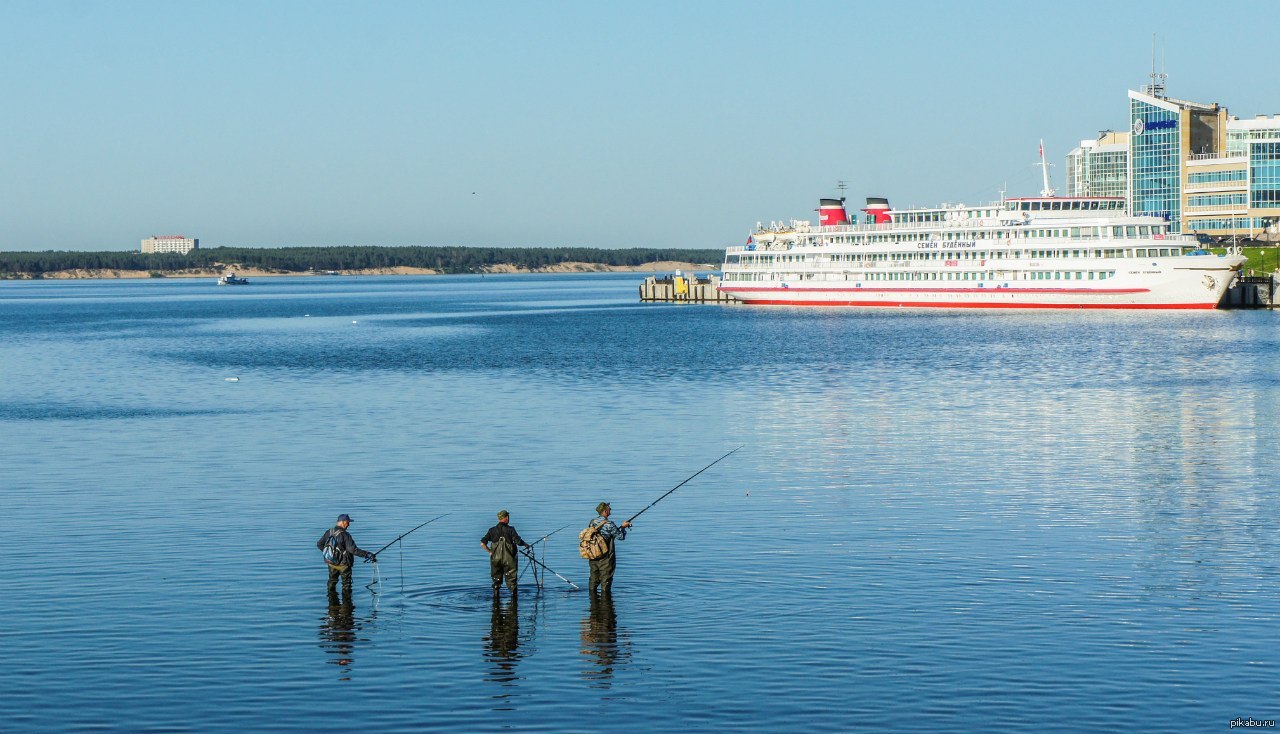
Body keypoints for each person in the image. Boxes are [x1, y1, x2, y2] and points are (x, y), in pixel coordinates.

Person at [317, 513, 376, 594]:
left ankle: (331, 604)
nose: (349, 525)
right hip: (344, 565)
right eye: (348, 522)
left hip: (331, 563)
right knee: (346, 585)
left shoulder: (329, 532)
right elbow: (353, 550)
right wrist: (367, 554)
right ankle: (347, 604)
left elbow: (319, 544)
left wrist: (329, 555)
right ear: (343, 522)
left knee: (332, 581)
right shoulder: (345, 535)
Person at [481, 510, 532, 596]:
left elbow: (482, 543)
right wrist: (526, 545)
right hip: (509, 560)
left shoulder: (492, 530)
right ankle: (514, 601)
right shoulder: (511, 529)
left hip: (495, 560)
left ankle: (496, 600)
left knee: (496, 581)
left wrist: (490, 552)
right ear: (506, 518)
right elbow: (518, 541)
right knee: (512, 581)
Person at [587, 502, 632, 594]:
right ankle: (605, 603)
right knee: (606, 580)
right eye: (609, 509)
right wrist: (623, 528)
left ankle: (592, 601)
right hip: (606, 557)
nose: (610, 510)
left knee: (593, 579)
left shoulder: (592, 522)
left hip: (593, 555)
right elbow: (620, 537)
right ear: (605, 511)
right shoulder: (609, 524)